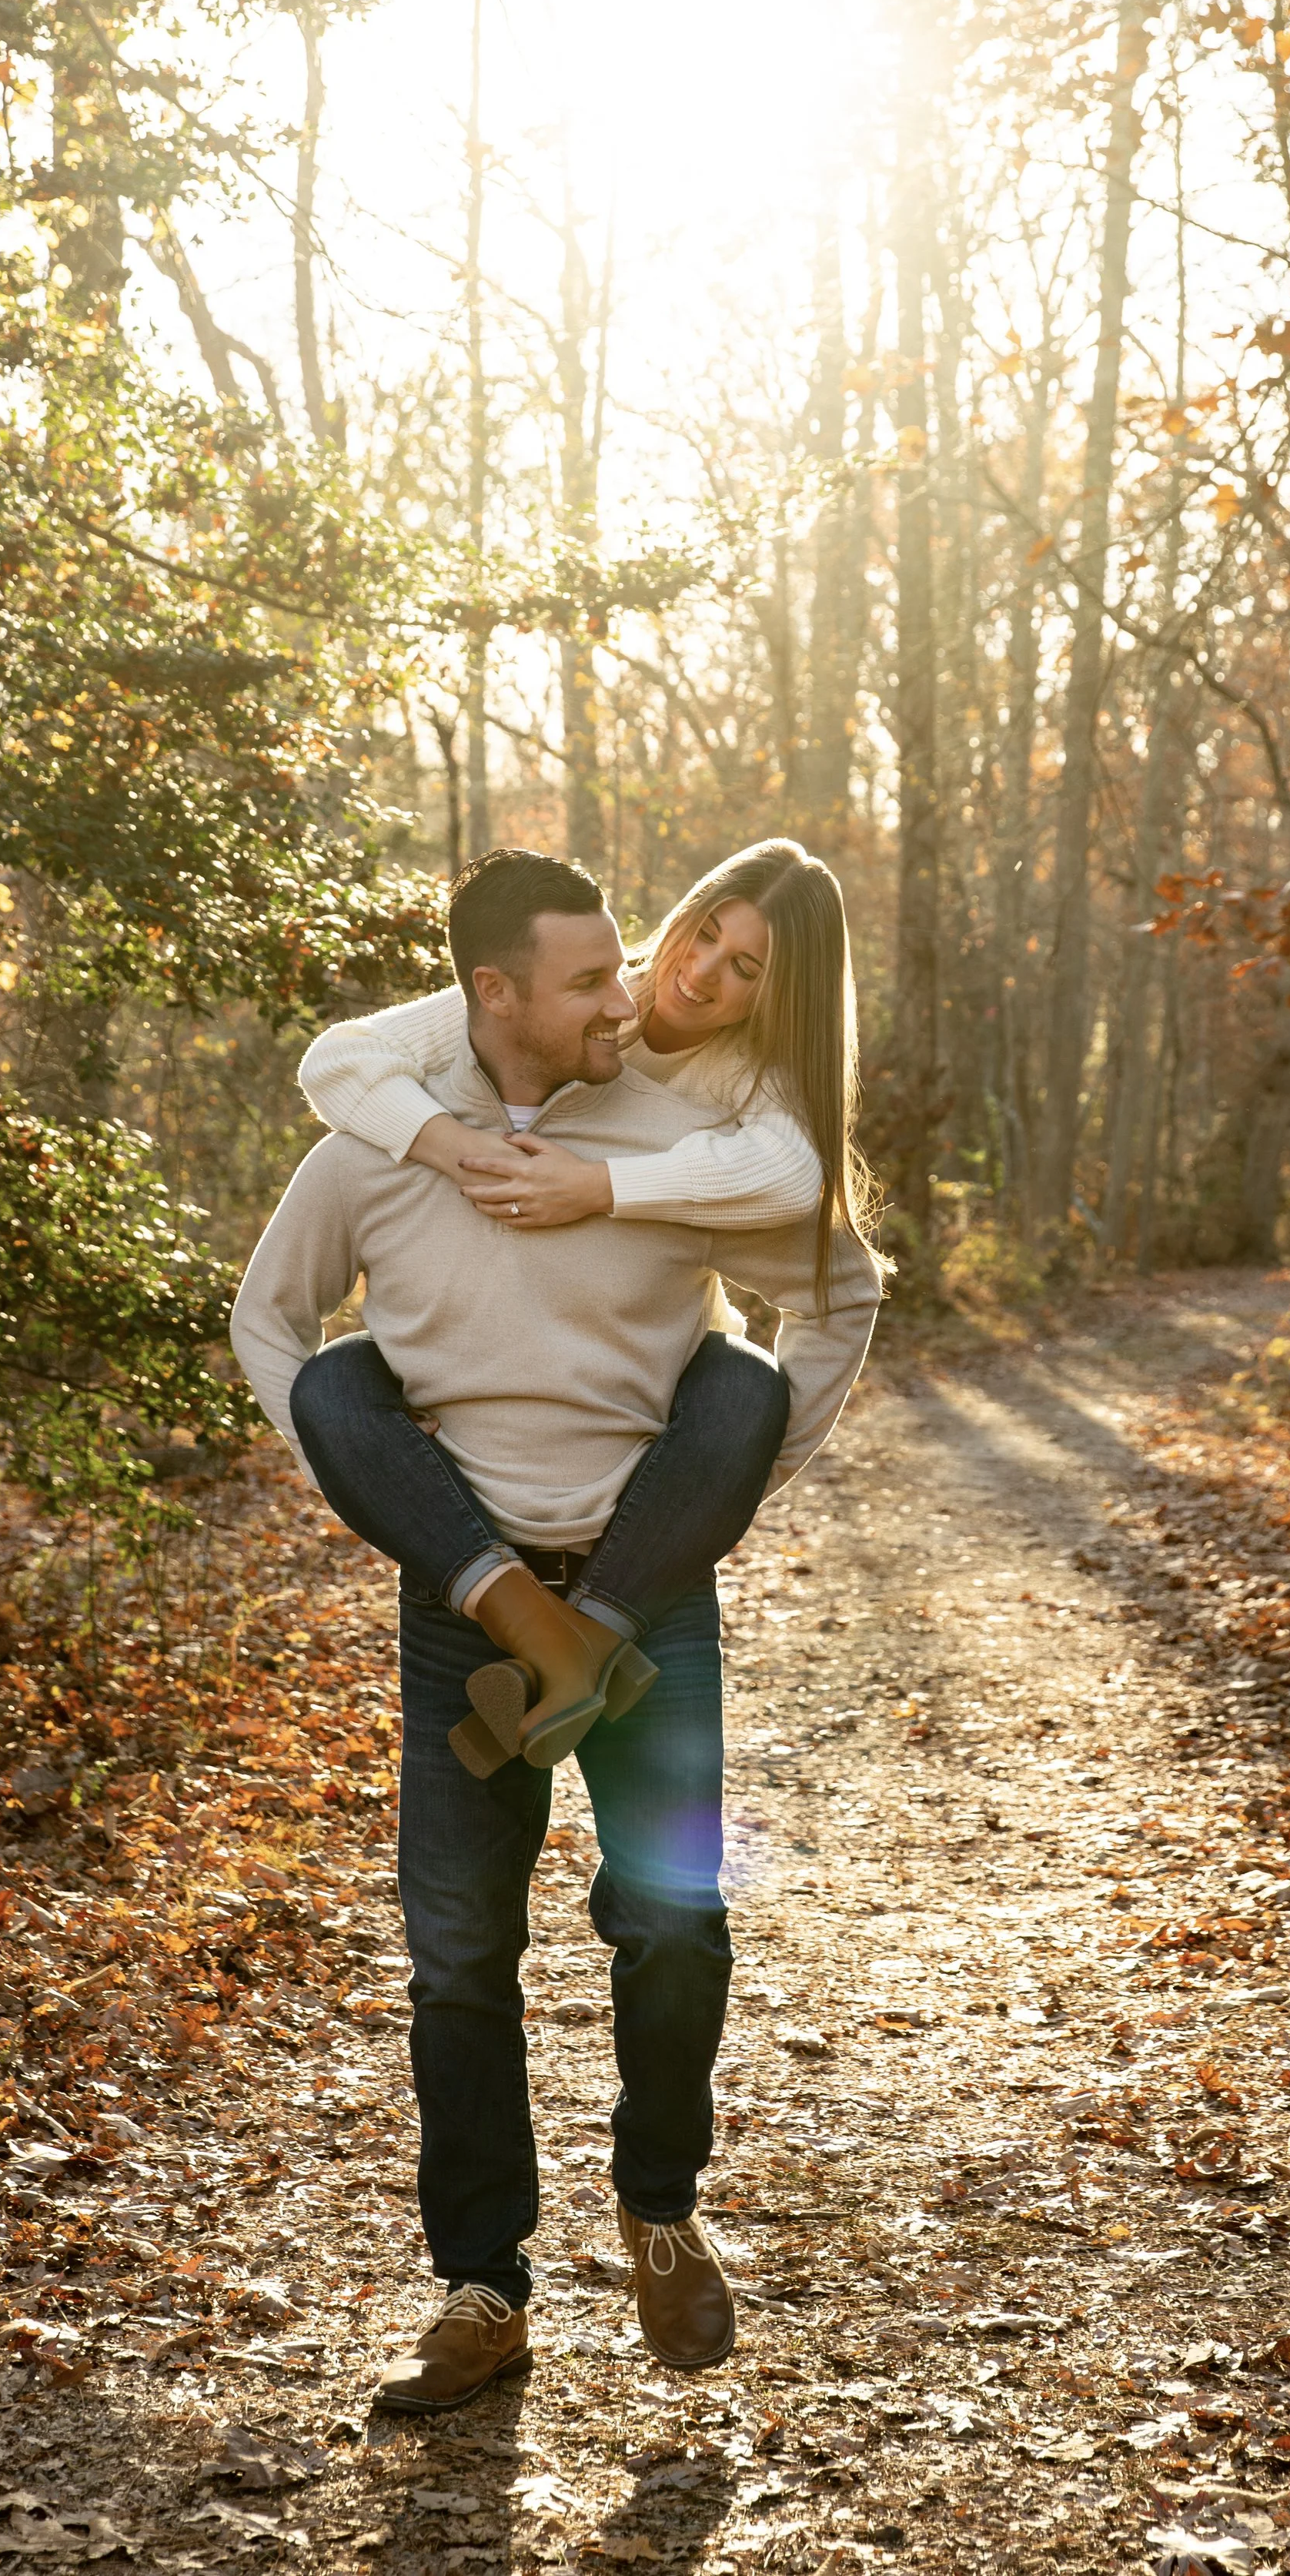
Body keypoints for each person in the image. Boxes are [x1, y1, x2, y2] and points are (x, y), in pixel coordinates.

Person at [231, 849, 879, 2408]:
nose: (646, 994)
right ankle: (480, 2290)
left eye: (648, 967)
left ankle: (658, 2211)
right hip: (464, 1586)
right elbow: (274, 1320)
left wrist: (719, 1492)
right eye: (599, 976)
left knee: (670, 1917)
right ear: (492, 994)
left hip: (644, 1589)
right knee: (459, 1953)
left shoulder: (687, 1139)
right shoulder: (382, 1138)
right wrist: (373, 1496)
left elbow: (839, 1292)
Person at [295, 838, 877, 1758]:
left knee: (742, 1384)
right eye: (705, 932)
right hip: (506, 1410)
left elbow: (795, 1180)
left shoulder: (748, 1081)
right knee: (337, 1378)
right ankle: (578, 1663)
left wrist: (597, 1188)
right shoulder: (584, 992)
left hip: (638, 1402)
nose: (697, 972)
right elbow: (337, 1063)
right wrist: (456, 1149)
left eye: (744, 968)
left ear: (778, 996)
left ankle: (570, 1654)